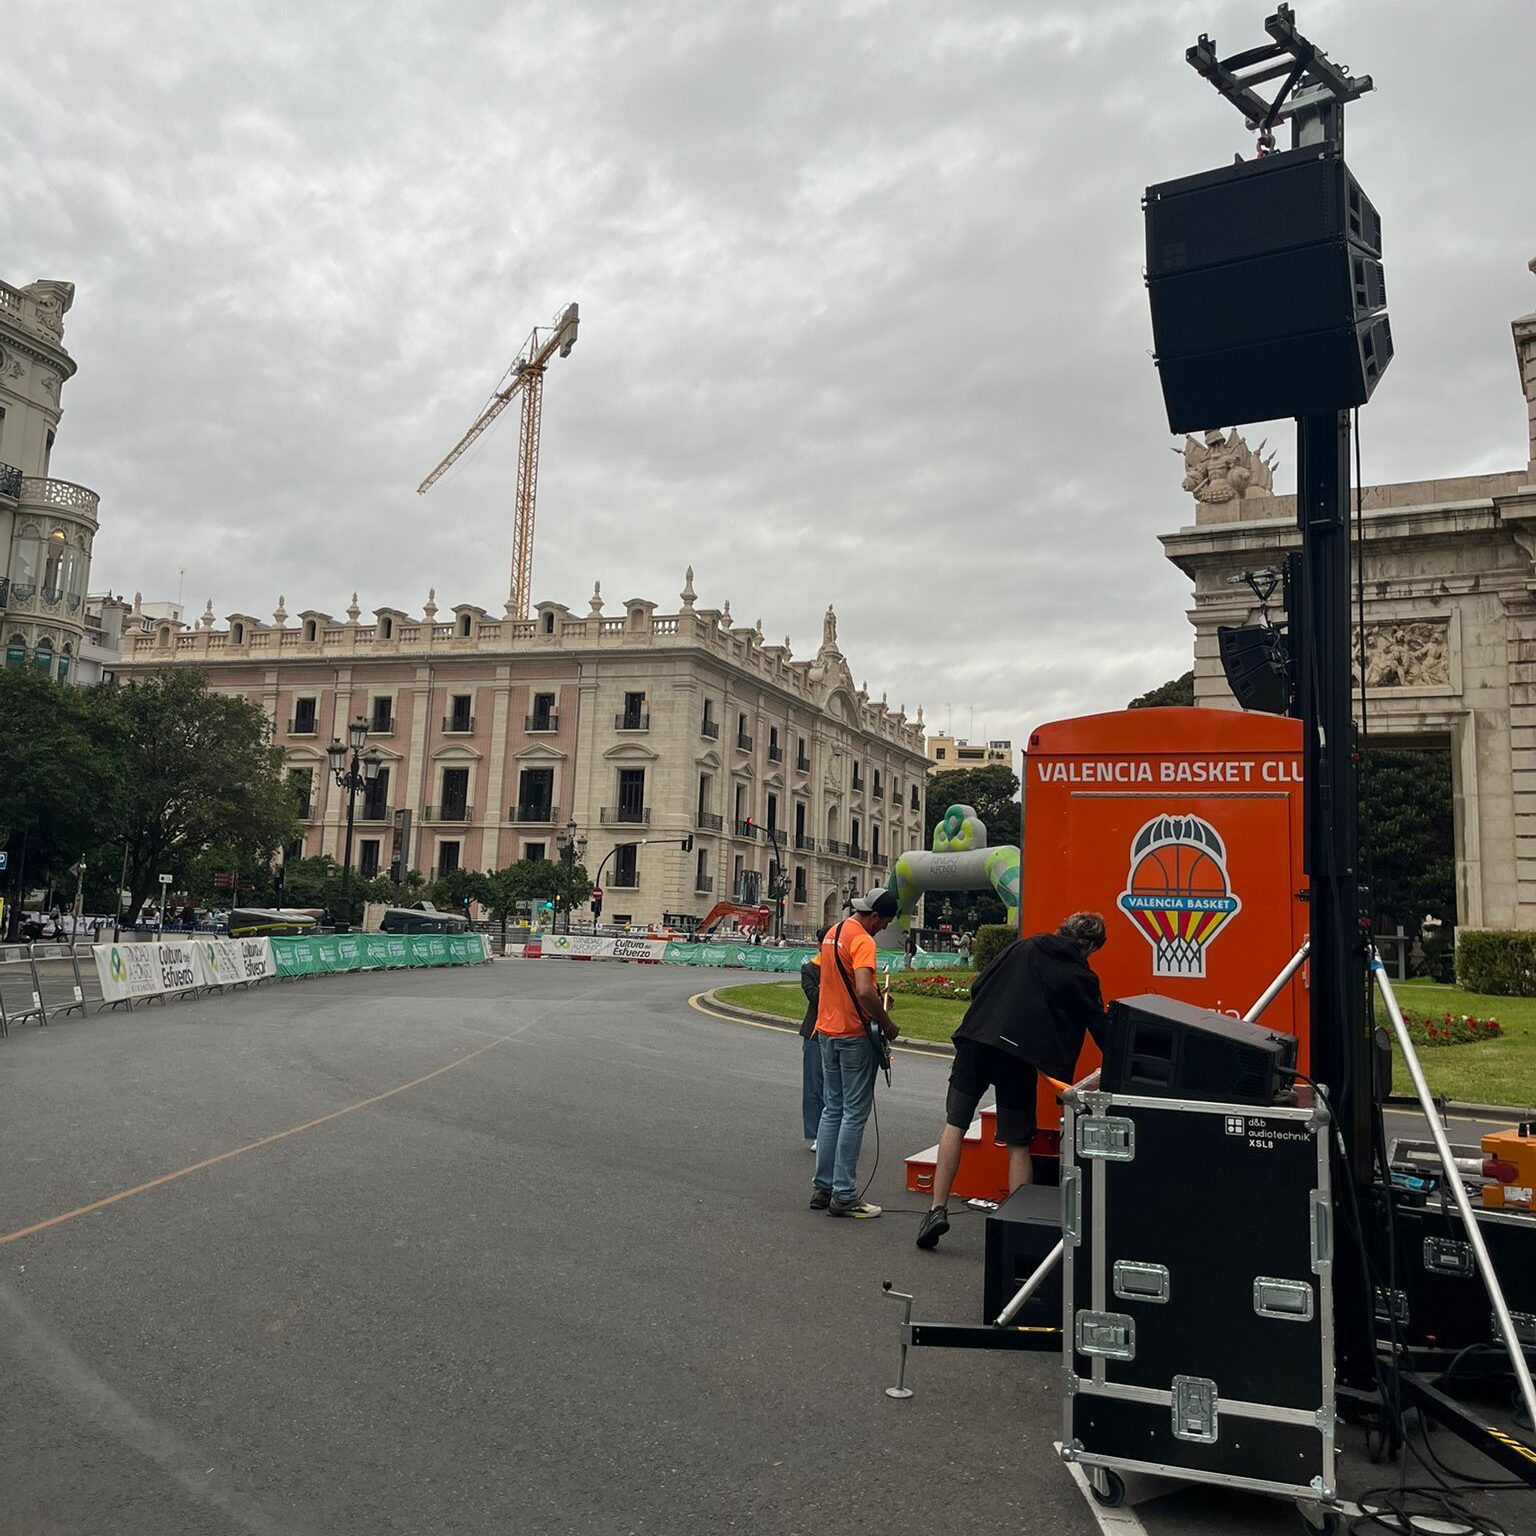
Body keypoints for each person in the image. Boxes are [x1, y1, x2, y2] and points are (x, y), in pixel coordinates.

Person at [915, 912, 1108, 1250]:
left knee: (955, 1124)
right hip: (1018, 1056)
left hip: (977, 1039)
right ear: (1089, 945)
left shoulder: (1025, 946)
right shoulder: (1082, 975)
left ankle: (936, 1209)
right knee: (1018, 1143)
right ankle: (1018, 1224)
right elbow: (1099, 1028)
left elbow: (979, 984)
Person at [810, 888, 900, 1219]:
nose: (882, 928)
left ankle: (823, 1186)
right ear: (874, 916)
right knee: (853, 1113)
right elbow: (863, 988)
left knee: (832, 1109)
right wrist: (887, 1023)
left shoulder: (834, 932)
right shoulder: (863, 940)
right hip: (852, 1035)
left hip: (826, 1032)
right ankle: (845, 1193)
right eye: (884, 922)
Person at [798, 932, 827, 1149]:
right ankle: (816, 1133)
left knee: (836, 1087)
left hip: (840, 1031)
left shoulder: (846, 966)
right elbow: (815, 997)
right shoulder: (809, 969)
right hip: (814, 1033)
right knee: (814, 1085)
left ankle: (833, 1129)